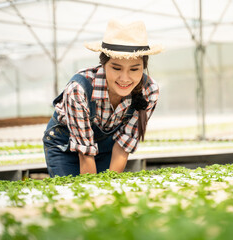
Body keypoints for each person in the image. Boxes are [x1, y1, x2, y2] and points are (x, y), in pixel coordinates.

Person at [43, 20, 163, 177]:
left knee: (108, 190)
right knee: (75, 195)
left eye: (134, 69)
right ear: (103, 64)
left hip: (106, 148)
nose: (125, 78)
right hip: (65, 147)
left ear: (143, 67)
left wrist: (108, 187)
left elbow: (122, 148)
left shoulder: (149, 91)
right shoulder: (79, 90)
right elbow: (85, 155)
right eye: (116, 68)